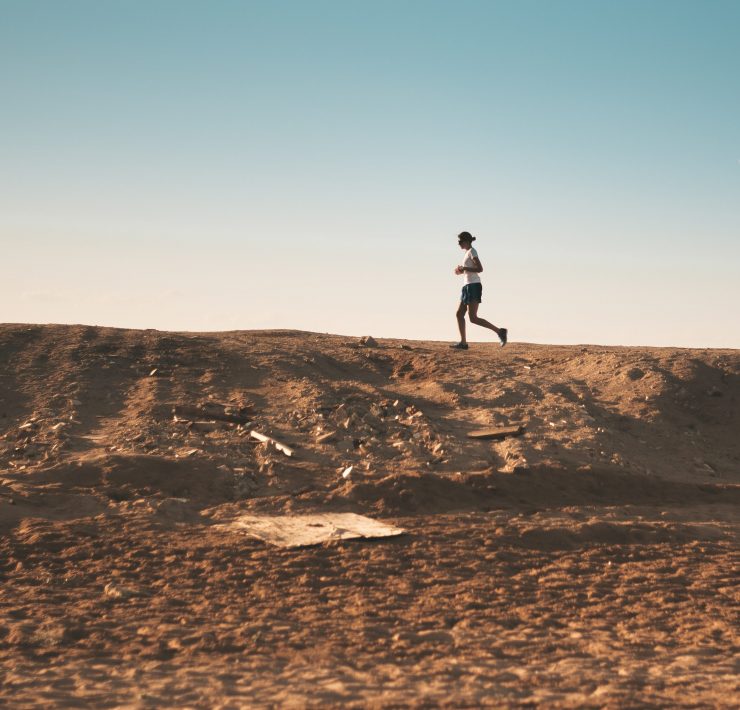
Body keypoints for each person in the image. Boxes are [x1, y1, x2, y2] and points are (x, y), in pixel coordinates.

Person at [452, 231, 507, 349]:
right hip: (467, 286)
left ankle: (500, 331)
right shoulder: (467, 253)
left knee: (473, 318)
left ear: (466, 241)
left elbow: (479, 268)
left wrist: (464, 268)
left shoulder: (472, 251)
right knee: (459, 314)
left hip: (474, 286)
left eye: (460, 241)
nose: (459, 244)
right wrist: (460, 271)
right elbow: (470, 270)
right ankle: (463, 343)